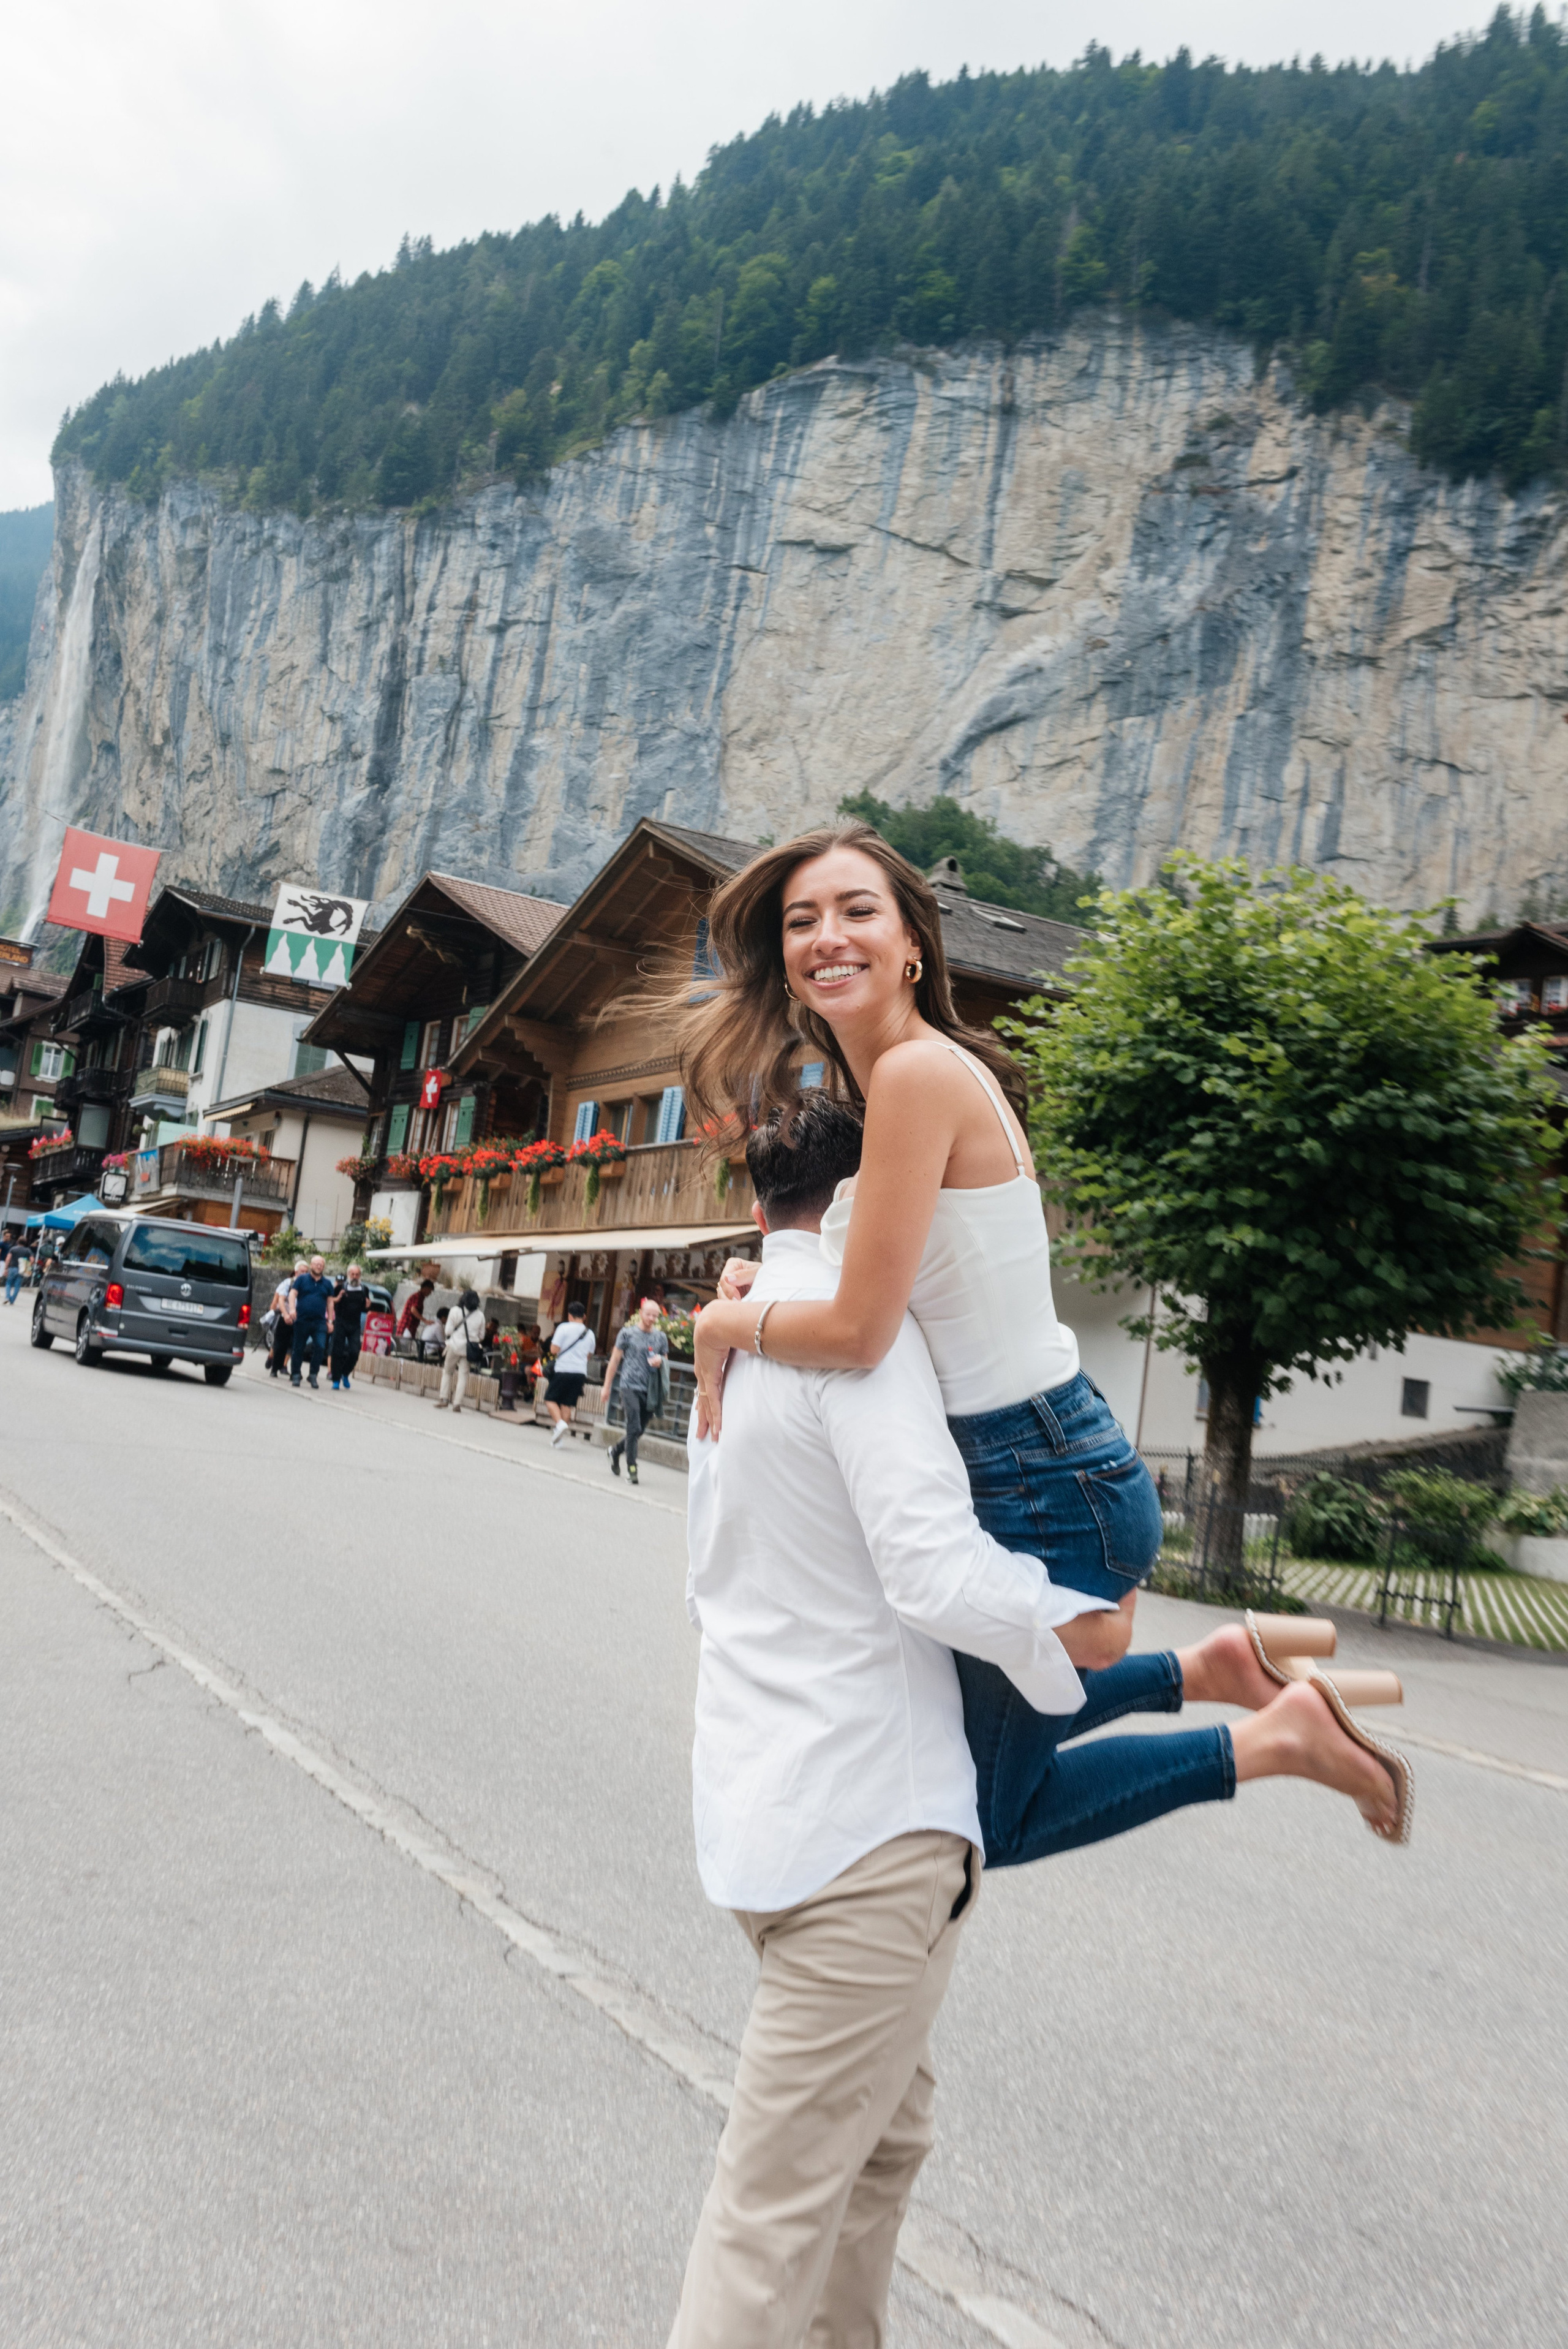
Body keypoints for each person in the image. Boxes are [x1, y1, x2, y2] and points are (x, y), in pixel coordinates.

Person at [682, 824, 1409, 1850]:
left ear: (913, 945)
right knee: (960, 1736)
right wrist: (770, 1280)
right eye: (802, 921)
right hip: (1040, 1460)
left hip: (1040, 1484)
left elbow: (860, 1332)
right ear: (788, 960)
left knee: (985, 1810)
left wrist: (724, 1321)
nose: (826, 935)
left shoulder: (916, 1076)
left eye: (857, 910)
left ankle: (1278, 1738)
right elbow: (906, 1288)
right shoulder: (898, 1082)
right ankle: (1214, 1669)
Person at [603, 1297, 668, 1485]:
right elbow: (615, 1360)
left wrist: (660, 1361)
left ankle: (615, 1451)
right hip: (629, 1385)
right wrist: (607, 1387)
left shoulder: (660, 1337)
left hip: (650, 1389)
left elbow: (665, 1361)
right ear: (641, 1313)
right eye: (648, 1314)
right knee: (633, 1427)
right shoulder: (627, 1333)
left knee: (639, 1430)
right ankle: (632, 1469)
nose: (651, 1319)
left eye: (655, 1316)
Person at [544, 1301, 594, 1447]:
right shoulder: (590, 1333)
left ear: (570, 1316)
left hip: (563, 1369)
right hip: (580, 1372)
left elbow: (553, 1350)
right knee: (567, 1404)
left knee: (550, 1399)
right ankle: (559, 1439)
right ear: (584, 1316)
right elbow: (589, 1356)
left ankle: (560, 1425)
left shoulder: (563, 1328)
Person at [287, 1253, 334, 1391]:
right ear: (311, 1265)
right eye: (317, 1264)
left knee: (320, 1347)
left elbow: (330, 1302)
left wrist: (330, 1321)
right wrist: (292, 1309)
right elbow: (293, 1294)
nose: (319, 1266)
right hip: (302, 1319)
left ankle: (313, 1375)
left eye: (321, 1265)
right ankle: (296, 1374)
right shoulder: (302, 1279)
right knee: (298, 1348)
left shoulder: (327, 1284)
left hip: (319, 1322)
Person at [436, 1287, 484, 1415]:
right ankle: (457, 1404)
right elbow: (482, 1336)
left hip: (454, 1346)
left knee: (448, 1372)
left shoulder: (455, 1311)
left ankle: (444, 1398)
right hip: (469, 1350)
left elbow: (448, 1331)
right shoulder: (480, 1315)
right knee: (463, 1376)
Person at [329, 1263, 370, 1391]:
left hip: (355, 1324)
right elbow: (331, 1302)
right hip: (341, 1323)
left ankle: (345, 1373)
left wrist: (368, 1306)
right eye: (353, 1274)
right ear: (348, 1275)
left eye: (357, 1274)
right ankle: (336, 1380)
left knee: (354, 1352)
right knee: (337, 1352)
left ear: (360, 1276)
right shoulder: (340, 1288)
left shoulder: (364, 1289)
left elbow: (365, 1307)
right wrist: (338, 1298)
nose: (355, 1277)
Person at [266, 1260, 305, 1376]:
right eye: (302, 1271)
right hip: (285, 1317)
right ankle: (274, 1368)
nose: (305, 1274)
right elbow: (279, 1300)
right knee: (280, 1344)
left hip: (300, 1319)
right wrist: (283, 1314)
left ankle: (291, 1370)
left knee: (295, 1345)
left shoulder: (308, 1285)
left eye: (306, 1272)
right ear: (296, 1272)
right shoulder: (288, 1283)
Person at [397, 1277, 434, 1351]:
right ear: (426, 1288)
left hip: (408, 1327)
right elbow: (413, 1310)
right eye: (430, 1291)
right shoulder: (418, 1297)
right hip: (407, 1327)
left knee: (403, 1349)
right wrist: (425, 1320)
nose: (430, 1293)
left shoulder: (418, 1297)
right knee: (403, 1350)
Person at [2, 1233, 26, 1305]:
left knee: (9, 1283)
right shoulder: (27, 1251)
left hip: (12, 1268)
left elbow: (8, 1259)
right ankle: (12, 1300)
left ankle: (7, 1297)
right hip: (22, 1270)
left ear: (18, 1242)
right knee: (17, 1286)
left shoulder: (13, 1249)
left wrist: (6, 1268)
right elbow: (32, 1260)